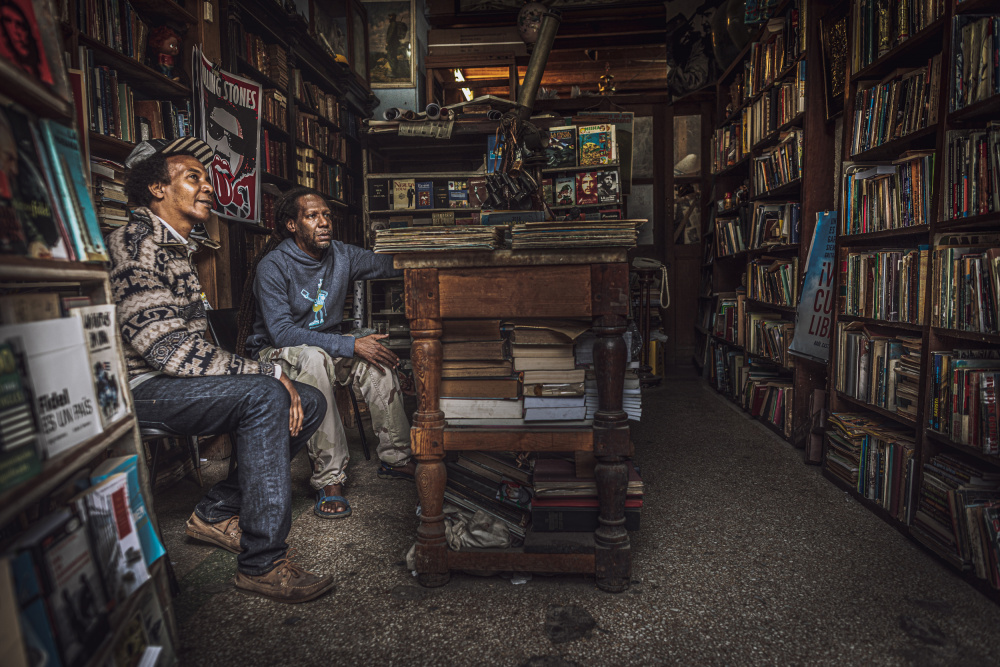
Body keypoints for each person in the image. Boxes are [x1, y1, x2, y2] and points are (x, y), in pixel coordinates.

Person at [108, 138, 332, 603]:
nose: (208, 187)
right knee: (267, 394)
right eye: (194, 178)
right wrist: (267, 373)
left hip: (172, 381)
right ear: (156, 188)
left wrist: (266, 376)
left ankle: (214, 512)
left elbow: (192, 350)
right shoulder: (137, 244)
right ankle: (262, 564)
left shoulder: (178, 248)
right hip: (140, 388)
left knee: (309, 401)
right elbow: (167, 350)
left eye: (207, 179)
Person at [238, 188, 415, 519]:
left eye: (327, 216)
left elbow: (385, 264)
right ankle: (329, 479)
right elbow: (283, 333)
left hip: (326, 346)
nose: (324, 223)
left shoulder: (341, 255)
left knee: (375, 356)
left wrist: (431, 254)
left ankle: (396, 457)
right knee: (315, 357)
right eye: (312, 216)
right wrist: (350, 344)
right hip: (276, 355)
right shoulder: (273, 266)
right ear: (292, 224)